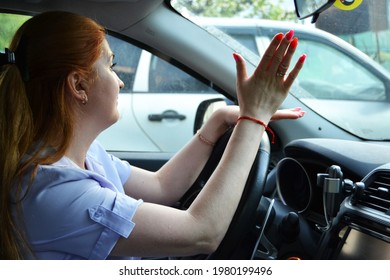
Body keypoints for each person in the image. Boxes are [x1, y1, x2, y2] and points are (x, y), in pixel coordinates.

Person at [0, 11, 306, 260]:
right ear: (78, 86)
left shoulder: (81, 155)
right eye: (111, 66)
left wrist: (214, 124)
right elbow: (201, 233)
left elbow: (161, 186)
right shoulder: (54, 191)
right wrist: (254, 118)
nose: (119, 82)